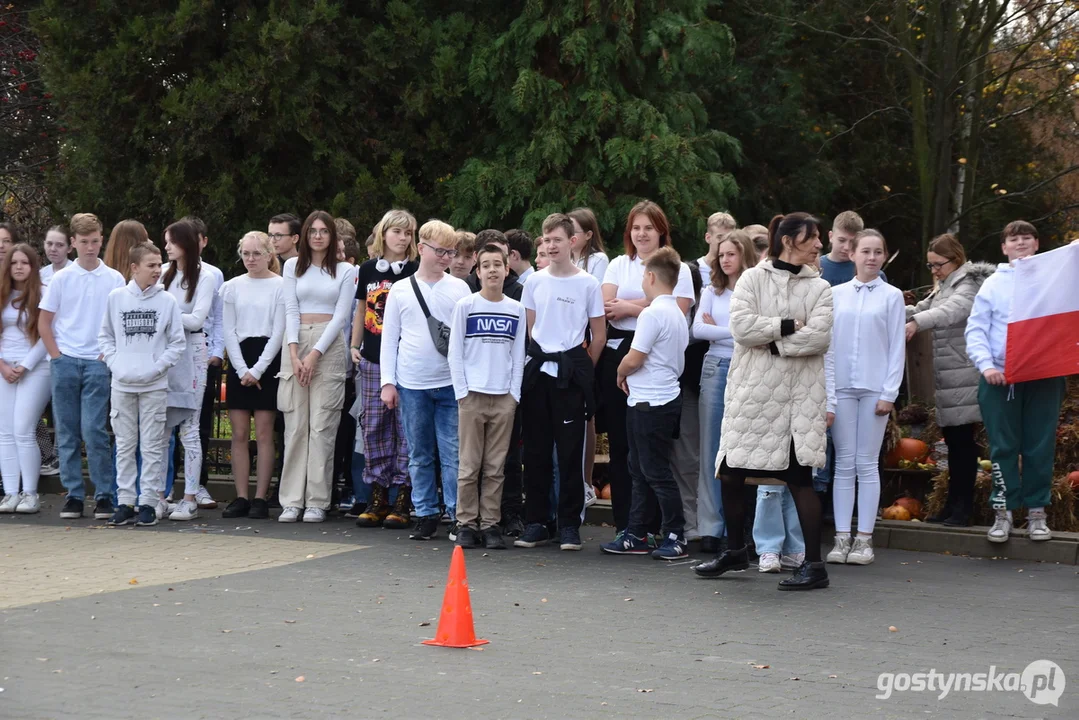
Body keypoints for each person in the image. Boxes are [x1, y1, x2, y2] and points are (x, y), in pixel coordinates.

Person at [694, 212, 833, 591]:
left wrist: (768, 338)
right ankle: (736, 550)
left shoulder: (820, 289)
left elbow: (819, 339)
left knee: (799, 477)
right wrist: (787, 326)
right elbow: (741, 328)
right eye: (813, 237)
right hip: (751, 394)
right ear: (789, 240)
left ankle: (815, 565)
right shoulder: (753, 278)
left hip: (794, 401)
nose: (820, 244)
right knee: (733, 472)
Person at [965, 220, 1066, 543]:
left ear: (1037, 244)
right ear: (1004, 247)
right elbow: (976, 329)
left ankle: (1037, 512)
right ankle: (1003, 511)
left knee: (1040, 444)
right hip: (1000, 378)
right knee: (1004, 447)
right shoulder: (993, 284)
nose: (1021, 243)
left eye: (1027, 238)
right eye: (1014, 239)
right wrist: (986, 366)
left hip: (1044, 375)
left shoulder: (1055, 282)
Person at [600, 201, 694, 539]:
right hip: (619, 351)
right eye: (636, 228)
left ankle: (660, 527)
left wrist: (632, 306)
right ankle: (628, 525)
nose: (642, 234)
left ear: (661, 232)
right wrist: (636, 307)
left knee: (654, 453)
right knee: (624, 448)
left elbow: (677, 308)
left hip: (655, 355)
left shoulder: (676, 267)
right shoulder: (617, 264)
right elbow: (608, 306)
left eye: (649, 228)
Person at [516, 213, 606, 550]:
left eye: (557, 239)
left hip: (571, 374)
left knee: (569, 452)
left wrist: (582, 368)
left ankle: (569, 524)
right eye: (546, 239)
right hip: (539, 373)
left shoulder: (587, 283)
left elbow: (598, 335)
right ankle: (537, 521)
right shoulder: (535, 282)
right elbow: (531, 328)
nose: (550, 245)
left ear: (573, 242)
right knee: (536, 450)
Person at [380, 219, 471, 540]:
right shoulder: (401, 289)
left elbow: (465, 338)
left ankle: (457, 514)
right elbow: (389, 339)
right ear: (421, 249)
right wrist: (387, 383)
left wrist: (465, 382)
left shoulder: (460, 288)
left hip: (449, 383)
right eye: (441, 251)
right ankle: (426, 513)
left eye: (451, 251)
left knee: (453, 453)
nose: (447, 257)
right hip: (411, 383)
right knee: (418, 454)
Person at [824, 230, 905, 565]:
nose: (871, 257)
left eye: (877, 252)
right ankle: (841, 537)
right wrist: (828, 395)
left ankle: (864, 540)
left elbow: (897, 346)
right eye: (865, 251)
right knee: (843, 463)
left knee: (866, 463)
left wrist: (889, 393)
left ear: (884, 256)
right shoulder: (835, 294)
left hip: (874, 389)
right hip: (842, 386)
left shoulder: (892, 296)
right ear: (853, 254)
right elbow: (827, 348)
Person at [39, 213, 125, 519]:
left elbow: (118, 320)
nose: (90, 248)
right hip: (66, 361)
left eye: (95, 241)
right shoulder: (62, 278)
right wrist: (57, 356)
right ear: (73, 243)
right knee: (66, 431)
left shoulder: (114, 278)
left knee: (94, 429)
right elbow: (45, 321)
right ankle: (73, 493)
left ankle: (104, 494)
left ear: (102, 239)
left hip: (97, 362)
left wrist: (106, 354)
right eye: (84, 242)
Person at [906, 234, 994, 527]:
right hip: (949, 375)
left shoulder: (968, 285)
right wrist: (891, 309)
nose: (934, 271)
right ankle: (951, 504)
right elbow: (922, 307)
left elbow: (950, 311)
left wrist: (917, 323)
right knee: (956, 444)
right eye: (930, 266)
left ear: (955, 259)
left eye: (938, 265)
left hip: (964, 374)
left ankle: (963, 508)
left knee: (964, 445)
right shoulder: (945, 285)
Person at [99, 242, 186, 526]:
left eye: (159, 264)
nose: (157, 270)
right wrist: (116, 364)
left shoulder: (167, 302)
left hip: (154, 385)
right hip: (122, 384)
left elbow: (177, 343)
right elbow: (106, 337)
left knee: (152, 445)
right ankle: (124, 502)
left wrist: (156, 368)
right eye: (150, 265)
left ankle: (147, 502)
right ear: (134, 268)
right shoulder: (116, 298)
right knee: (125, 445)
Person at [278, 210, 356, 523]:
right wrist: (296, 354)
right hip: (295, 342)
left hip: (329, 344)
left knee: (323, 425)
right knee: (296, 425)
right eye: (314, 231)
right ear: (305, 235)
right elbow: (290, 310)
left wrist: (315, 355)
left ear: (332, 236)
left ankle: (317, 500)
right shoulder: (290, 267)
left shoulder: (344, 271)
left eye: (324, 231)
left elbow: (342, 316)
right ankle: (292, 500)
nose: (319, 236)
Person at [448, 243, 526, 550]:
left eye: (498, 264)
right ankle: (466, 523)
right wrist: (462, 392)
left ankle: (490, 523)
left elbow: (518, 355)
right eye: (486, 265)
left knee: (496, 466)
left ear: (507, 269)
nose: (492, 269)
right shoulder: (465, 306)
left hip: (503, 398)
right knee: (469, 466)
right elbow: (455, 352)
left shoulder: (516, 309)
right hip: (472, 397)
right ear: (477, 271)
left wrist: (514, 395)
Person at [350, 209, 418, 528]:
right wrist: (354, 345)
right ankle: (378, 494)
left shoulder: (415, 271)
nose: (403, 238)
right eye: (397, 232)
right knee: (374, 426)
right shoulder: (367, 270)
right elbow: (362, 307)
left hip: (406, 361)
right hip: (373, 357)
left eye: (408, 233)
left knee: (404, 429)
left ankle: (403, 496)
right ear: (383, 233)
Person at [694, 230, 756, 555]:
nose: (725, 259)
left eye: (731, 254)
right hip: (716, 368)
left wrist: (725, 332)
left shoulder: (756, 291)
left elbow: (759, 332)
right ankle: (710, 527)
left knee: (744, 450)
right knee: (711, 449)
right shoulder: (712, 290)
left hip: (748, 371)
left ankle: (743, 528)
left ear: (744, 255)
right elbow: (698, 329)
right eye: (721, 255)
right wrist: (738, 331)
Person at [220, 232, 284, 520]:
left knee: (265, 432)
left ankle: (261, 496)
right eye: (246, 253)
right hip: (239, 359)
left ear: (269, 254)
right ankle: (241, 495)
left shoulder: (281, 286)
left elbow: (279, 331)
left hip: (267, 358)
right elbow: (228, 330)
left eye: (257, 253)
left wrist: (258, 369)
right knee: (240, 433)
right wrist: (241, 368)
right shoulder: (232, 287)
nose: (250, 259)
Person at [157, 220, 216, 521]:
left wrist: (167, 316)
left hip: (191, 352)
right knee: (163, 428)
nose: (166, 247)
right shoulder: (165, 275)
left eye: (171, 241)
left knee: (189, 429)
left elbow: (196, 320)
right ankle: (158, 495)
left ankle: (190, 496)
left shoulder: (205, 277)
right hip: (166, 353)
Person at [0, 245, 50, 513]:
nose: (18, 267)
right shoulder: (1, 294)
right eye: (14, 263)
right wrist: (3, 366)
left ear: (33, 266)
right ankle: (10, 493)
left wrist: (25, 366)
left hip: (36, 368)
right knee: (5, 432)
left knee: (23, 429)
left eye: (24, 263)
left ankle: (30, 493)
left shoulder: (43, 293)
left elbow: (47, 335)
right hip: (3, 368)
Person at [568, 208, 607, 503]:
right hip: (566, 346)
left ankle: (585, 480)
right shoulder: (560, 261)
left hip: (587, 345)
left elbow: (590, 305)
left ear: (588, 235)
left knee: (586, 414)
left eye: (574, 232)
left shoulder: (598, 261)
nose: (569, 237)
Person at [464, 230, 524, 301]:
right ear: (476, 256)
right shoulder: (464, 288)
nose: (492, 269)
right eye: (491, 252)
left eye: (505, 256)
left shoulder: (518, 291)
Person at [696, 212, 737, 287]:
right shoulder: (694, 270)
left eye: (729, 237)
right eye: (720, 237)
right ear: (708, 238)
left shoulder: (736, 270)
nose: (725, 241)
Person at [569, 208, 609, 282]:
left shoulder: (598, 259)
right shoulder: (565, 259)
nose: (568, 236)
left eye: (572, 232)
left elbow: (597, 290)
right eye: (566, 231)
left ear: (588, 235)